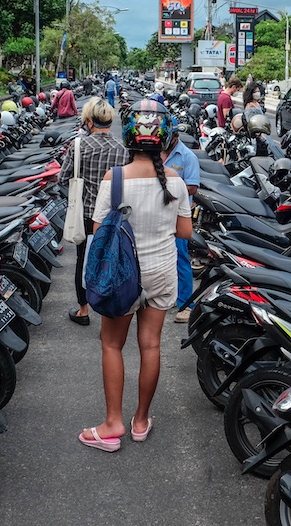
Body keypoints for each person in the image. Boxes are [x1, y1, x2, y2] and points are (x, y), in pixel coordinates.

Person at [78, 100, 191, 451]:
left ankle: (113, 423)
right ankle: (141, 420)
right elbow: (184, 232)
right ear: (164, 139)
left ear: (129, 137)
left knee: (112, 344)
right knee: (151, 345)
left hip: (121, 276)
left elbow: (98, 229)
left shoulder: (114, 179)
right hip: (161, 271)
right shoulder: (175, 181)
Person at [59, 98, 128, 326]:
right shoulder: (122, 148)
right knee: (114, 259)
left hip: (86, 216)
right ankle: (112, 307)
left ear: (89, 121)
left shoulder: (79, 146)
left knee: (83, 260)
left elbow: (62, 177)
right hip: (114, 217)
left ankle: (83, 310)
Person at [163, 117, 200, 323]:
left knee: (181, 257)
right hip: (158, 213)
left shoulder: (187, 157)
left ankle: (186, 303)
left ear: (175, 135)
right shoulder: (157, 152)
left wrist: (166, 188)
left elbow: (193, 187)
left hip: (178, 215)